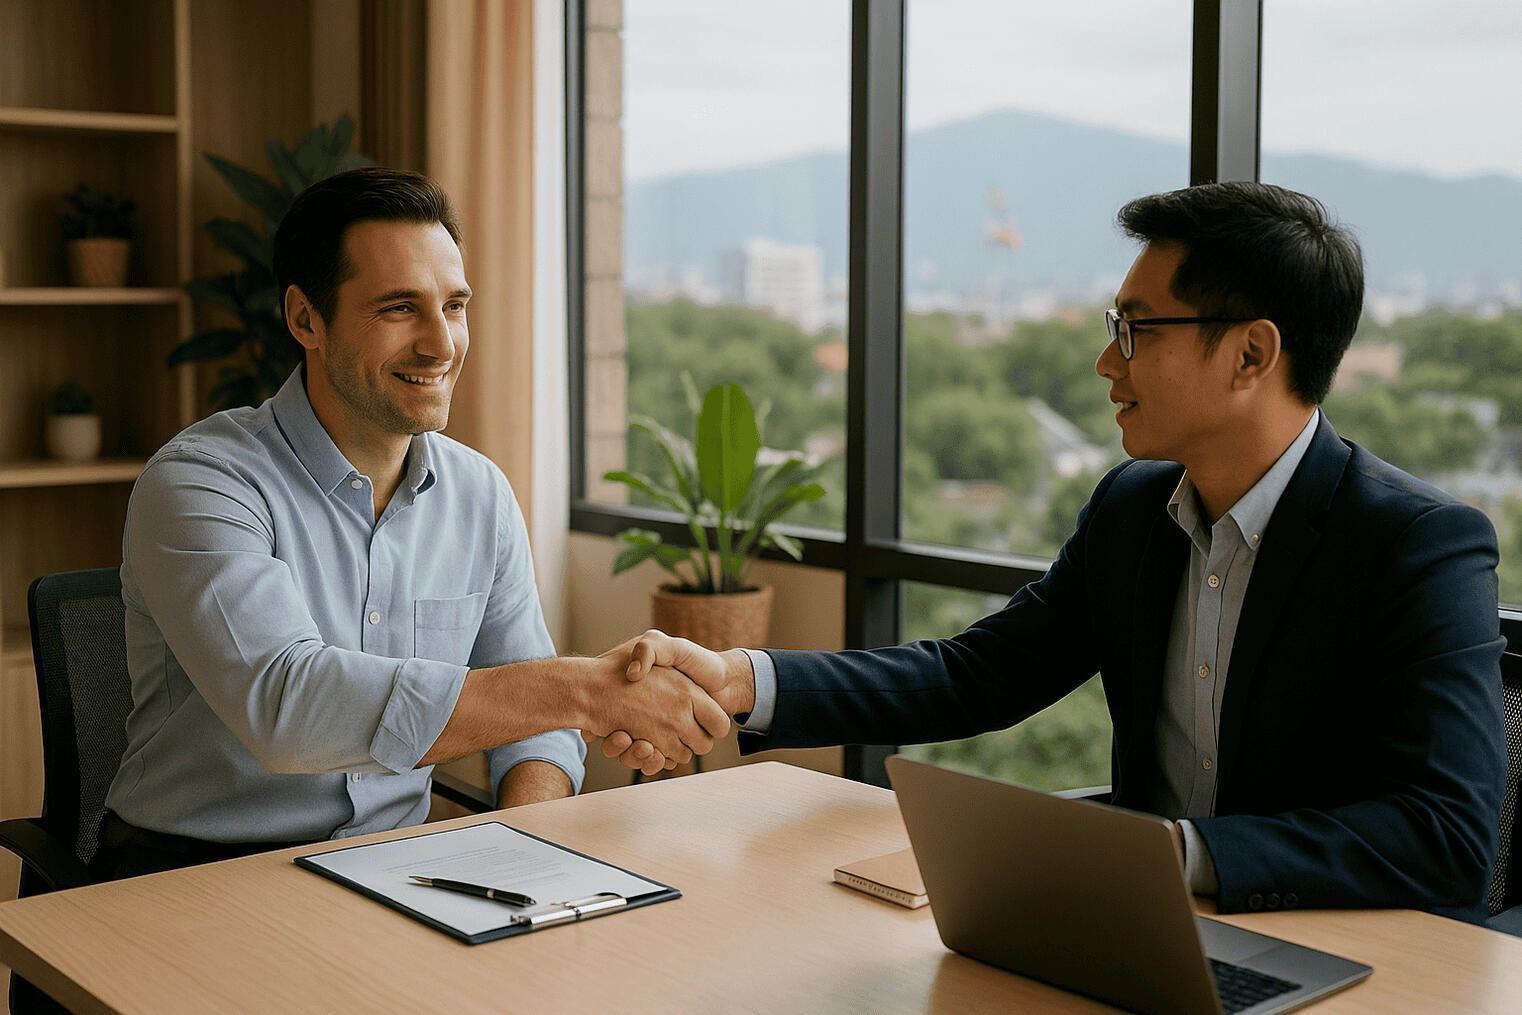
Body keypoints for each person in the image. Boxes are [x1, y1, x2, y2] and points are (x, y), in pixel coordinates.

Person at [593, 182, 1507, 922]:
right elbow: (975, 674)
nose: (1107, 363)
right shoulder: (1134, 508)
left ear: (1251, 355)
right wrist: (741, 679)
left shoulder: (1417, 545)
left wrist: (1170, 857)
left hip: (1349, 952)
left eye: (1136, 330)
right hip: (1147, 932)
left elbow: (1448, 837)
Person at [99, 167, 727, 879]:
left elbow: (539, 733)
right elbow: (288, 705)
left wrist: (522, 859)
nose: (441, 344)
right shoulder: (201, 480)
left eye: (454, 306)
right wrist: (584, 687)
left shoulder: (480, 494)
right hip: (190, 877)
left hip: (395, 870)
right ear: (305, 318)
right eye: (400, 309)